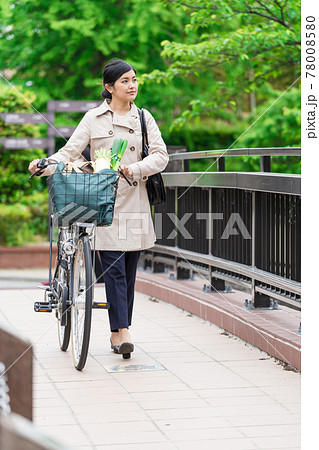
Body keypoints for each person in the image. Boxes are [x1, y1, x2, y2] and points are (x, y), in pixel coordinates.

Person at [29, 59, 169, 357]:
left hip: (134, 199)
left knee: (130, 270)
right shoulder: (93, 119)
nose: (132, 86)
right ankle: (121, 332)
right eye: (125, 81)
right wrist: (44, 165)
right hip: (100, 201)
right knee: (114, 268)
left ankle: (120, 329)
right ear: (109, 87)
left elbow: (160, 156)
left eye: (134, 79)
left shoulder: (144, 118)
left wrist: (135, 168)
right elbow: (69, 152)